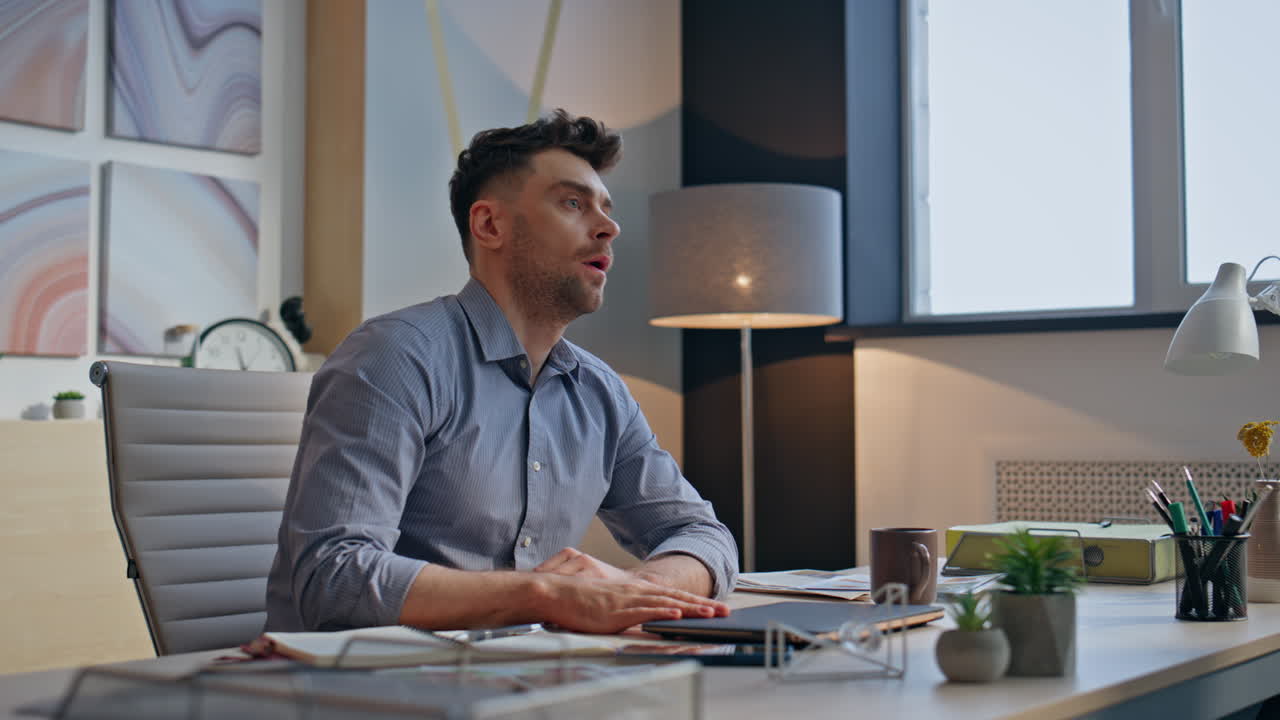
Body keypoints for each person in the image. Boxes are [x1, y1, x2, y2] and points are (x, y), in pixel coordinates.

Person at [265, 110, 739, 634]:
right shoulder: (394, 358)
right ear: (489, 225)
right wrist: (543, 594)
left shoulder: (601, 393)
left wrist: (635, 591)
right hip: (374, 688)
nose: (609, 227)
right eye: (573, 203)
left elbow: (704, 535)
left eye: (606, 209)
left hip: (524, 681)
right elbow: (332, 578)